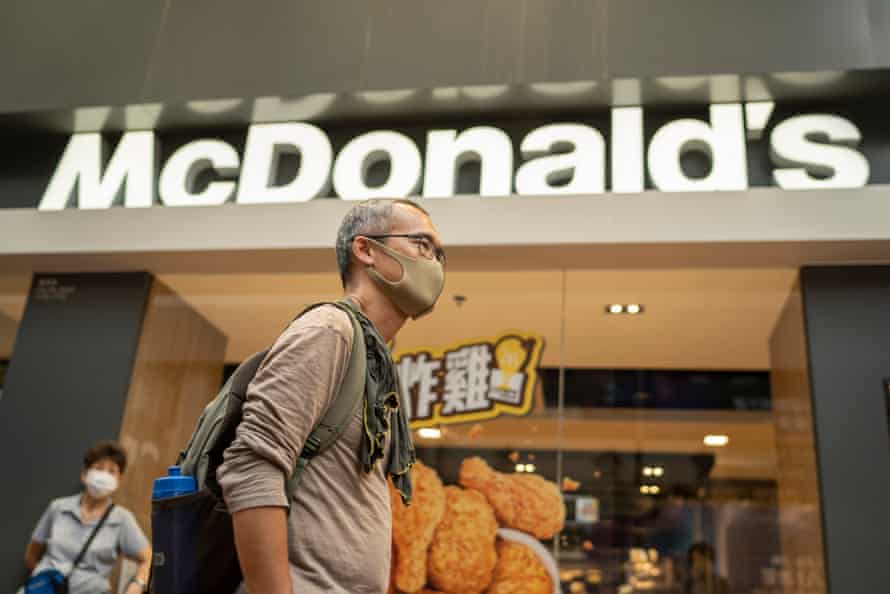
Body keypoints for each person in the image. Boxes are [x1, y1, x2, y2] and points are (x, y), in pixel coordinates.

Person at [217, 198, 446, 594]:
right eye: (423, 244)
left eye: (439, 254)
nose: (435, 263)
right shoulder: (330, 331)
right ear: (366, 250)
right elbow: (251, 465)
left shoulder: (374, 356)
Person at [22, 441, 151, 594]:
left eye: (111, 471)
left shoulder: (122, 519)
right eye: (99, 468)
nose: (104, 476)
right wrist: (44, 582)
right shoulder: (58, 508)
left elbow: (148, 558)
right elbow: (31, 555)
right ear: (85, 474)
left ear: (119, 480)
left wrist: (137, 585)